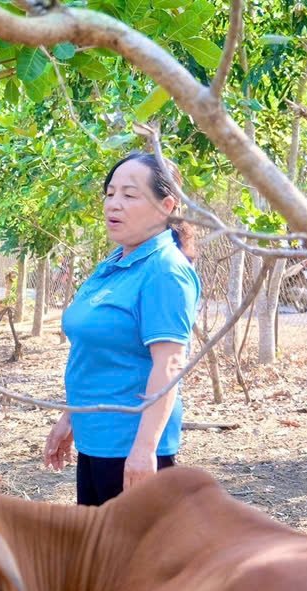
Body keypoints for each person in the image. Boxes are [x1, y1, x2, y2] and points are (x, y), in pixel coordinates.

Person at [43, 151, 201, 506]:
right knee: (99, 555)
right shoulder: (114, 263)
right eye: (110, 193)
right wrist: (70, 418)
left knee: (133, 560)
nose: (114, 204)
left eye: (130, 195)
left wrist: (145, 451)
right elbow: (93, 352)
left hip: (131, 445)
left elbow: (169, 365)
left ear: (167, 206)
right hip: (96, 438)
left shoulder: (165, 270)